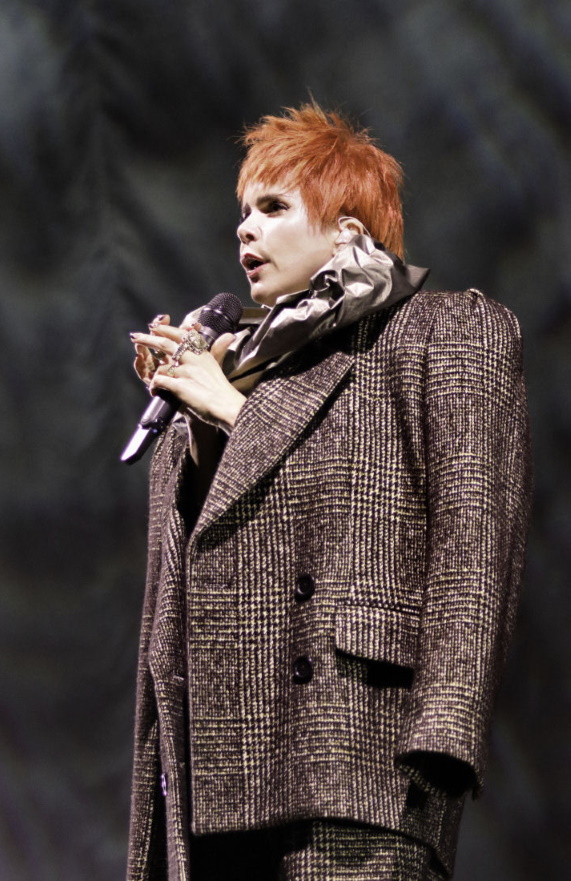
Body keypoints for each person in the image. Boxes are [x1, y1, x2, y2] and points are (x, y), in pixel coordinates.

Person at [126, 104, 532, 881]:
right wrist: (199, 422)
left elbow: (474, 545)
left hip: (359, 755)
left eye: (273, 206)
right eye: (243, 210)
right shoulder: (245, 367)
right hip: (215, 768)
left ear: (347, 231)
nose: (245, 228)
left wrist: (444, 735)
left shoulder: (444, 330)